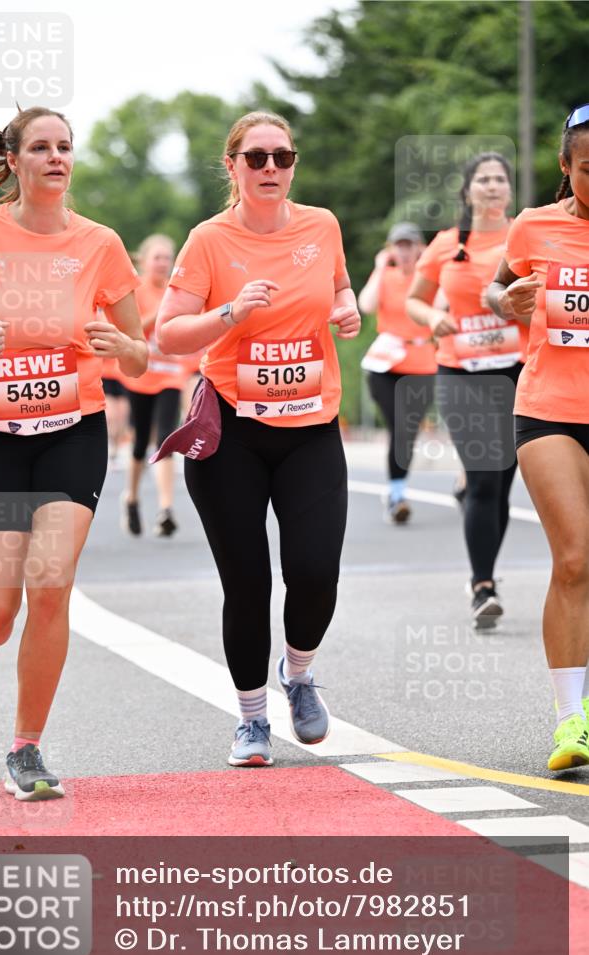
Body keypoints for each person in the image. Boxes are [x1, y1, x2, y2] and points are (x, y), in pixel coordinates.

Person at [0, 88, 146, 799]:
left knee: (51, 589)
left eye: (64, 146)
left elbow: (140, 354)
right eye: (42, 147)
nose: (57, 158)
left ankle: (26, 749)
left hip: (72, 432)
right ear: (15, 161)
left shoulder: (99, 244)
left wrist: (120, 345)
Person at [155, 111, 360, 766]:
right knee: (248, 584)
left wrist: (348, 306)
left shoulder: (320, 225)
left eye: (282, 156)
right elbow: (168, 333)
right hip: (233, 434)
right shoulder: (208, 240)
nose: (271, 168)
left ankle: (297, 675)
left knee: (314, 573)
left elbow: (337, 287)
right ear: (232, 167)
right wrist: (231, 311)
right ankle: (250, 722)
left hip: (310, 427)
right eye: (256, 158)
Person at [487, 104, 589, 771]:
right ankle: (570, 721)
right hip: (549, 409)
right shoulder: (533, 225)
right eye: (588, 169)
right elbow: (496, 293)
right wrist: (508, 303)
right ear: (564, 167)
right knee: (576, 559)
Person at [406, 152, 528, 628]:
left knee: (501, 484)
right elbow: (415, 300)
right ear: (469, 191)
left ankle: (485, 575)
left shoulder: (526, 236)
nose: (493, 187)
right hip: (461, 371)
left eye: (501, 179)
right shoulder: (446, 244)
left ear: (510, 191)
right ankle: (483, 586)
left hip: (519, 372)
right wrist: (434, 317)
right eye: (484, 179)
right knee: (481, 476)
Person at [358, 221, 436, 523]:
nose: (404, 252)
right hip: (386, 365)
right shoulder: (385, 277)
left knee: (408, 431)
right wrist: (379, 268)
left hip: (422, 362)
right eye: (398, 246)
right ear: (391, 250)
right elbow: (366, 305)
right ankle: (397, 494)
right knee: (400, 428)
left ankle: (396, 489)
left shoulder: (428, 278)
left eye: (409, 245)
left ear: (420, 248)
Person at [120, 234, 184, 538]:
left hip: (171, 375)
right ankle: (131, 498)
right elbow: (131, 330)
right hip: (141, 375)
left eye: (167, 258)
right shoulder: (137, 291)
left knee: (166, 438)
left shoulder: (177, 291)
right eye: (157, 257)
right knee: (139, 441)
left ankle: (165, 509)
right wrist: (158, 317)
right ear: (143, 261)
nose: (162, 263)